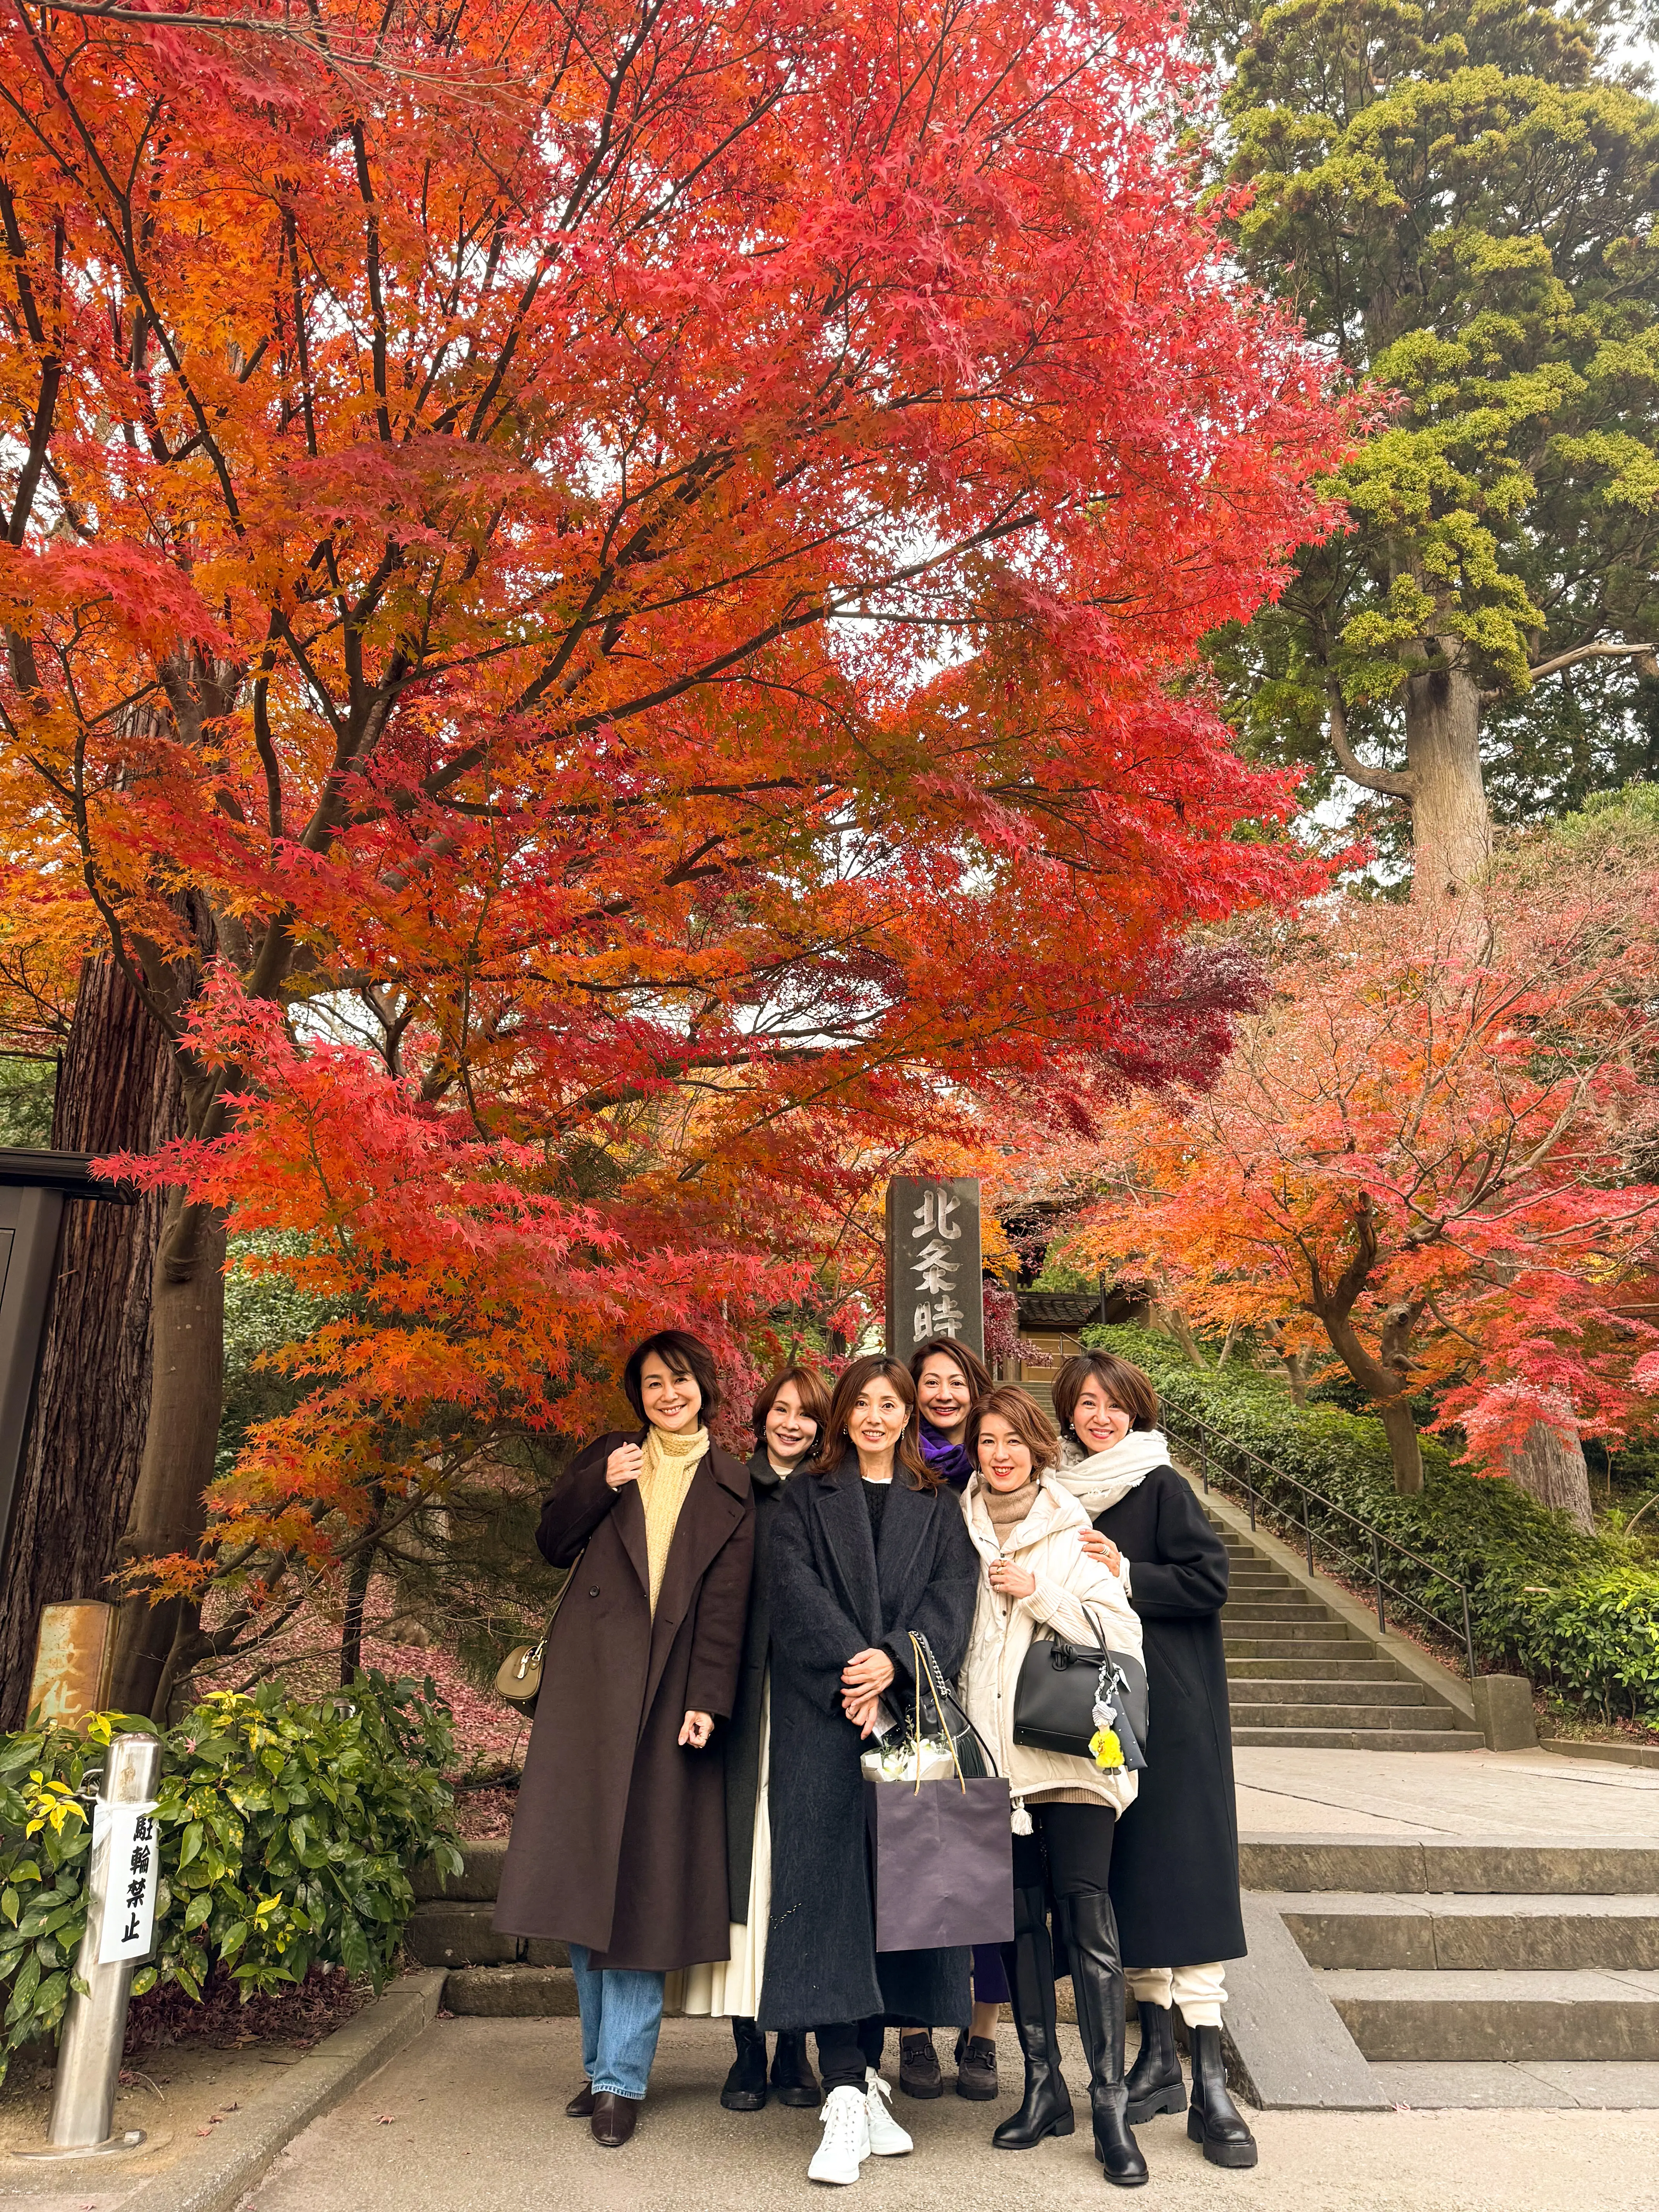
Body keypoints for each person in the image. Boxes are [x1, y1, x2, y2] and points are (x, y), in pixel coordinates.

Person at [493, 1331, 755, 2148]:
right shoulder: (612, 1456)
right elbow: (550, 1543)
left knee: (640, 1888)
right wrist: (599, 1488)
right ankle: (599, 2063)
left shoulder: (731, 1481)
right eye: (650, 1384)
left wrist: (710, 1697)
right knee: (580, 1882)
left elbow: (727, 1606)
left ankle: (619, 2078)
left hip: (670, 1699)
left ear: (703, 1388)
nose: (666, 1396)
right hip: (588, 1693)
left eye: (678, 1381)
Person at [758, 1354, 982, 2186]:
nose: (878, 1417)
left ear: (907, 1416)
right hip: (824, 1721)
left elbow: (951, 1600)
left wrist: (893, 1662)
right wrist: (854, 1668)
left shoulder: (937, 1503)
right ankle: (844, 2088)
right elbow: (792, 1591)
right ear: (843, 1413)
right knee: (827, 1899)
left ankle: (871, 2077)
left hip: (909, 1720)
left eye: (891, 1404)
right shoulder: (801, 1498)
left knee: (901, 1900)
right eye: (864, 1404)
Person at [1054, 1348, 1258, 2170]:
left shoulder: (1159, 1484)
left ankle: (1208, 2079)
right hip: (1106, 1717)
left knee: (1190, 1877)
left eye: (1112, 1404)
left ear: (1135, 1410)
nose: (1097, 1417)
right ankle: (1153, 2058)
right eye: (1083, 1404)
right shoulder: (1060, 1494)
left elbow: (1207, 1582)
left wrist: (1127, 1571)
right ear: (1065, 1412)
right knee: (1128, 1877)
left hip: (1177, 1712)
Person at [956, 1384, 1149, 2186]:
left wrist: (1041, 1594)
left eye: (1014, 1440)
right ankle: (1042, 2089)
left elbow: (1123, 1640)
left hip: (1067, 1760)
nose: (999, 1454)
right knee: (1017, 1930)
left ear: (1040, 1450)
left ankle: (1107, 2103)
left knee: (1087, 1922)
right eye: (986, 1440)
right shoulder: (953, 1533)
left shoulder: (1077, 1535)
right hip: (991, 1763)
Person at [678, 1364, 831, 2112]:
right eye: (781, 1410)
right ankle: (745, 2048)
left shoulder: (829, 1493)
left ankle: (795, 2044)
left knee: (794, 1859)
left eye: (807, 1415)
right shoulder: (731, 1487)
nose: (792, 1425)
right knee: (742, 1863)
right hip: (738, 1694)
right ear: (762, 1415)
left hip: (810, 1698)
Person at [904, 1333, 1005, 2102]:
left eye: (954, 1384)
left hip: (989, 1688)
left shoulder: (999, 1471)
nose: (942, 1395)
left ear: (974, 1391)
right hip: (916, 1683)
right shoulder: (898, 1472)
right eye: (929, 1383)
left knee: (980, 1873)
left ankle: (981, 2037)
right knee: (913, 1860)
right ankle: (912, 2033)